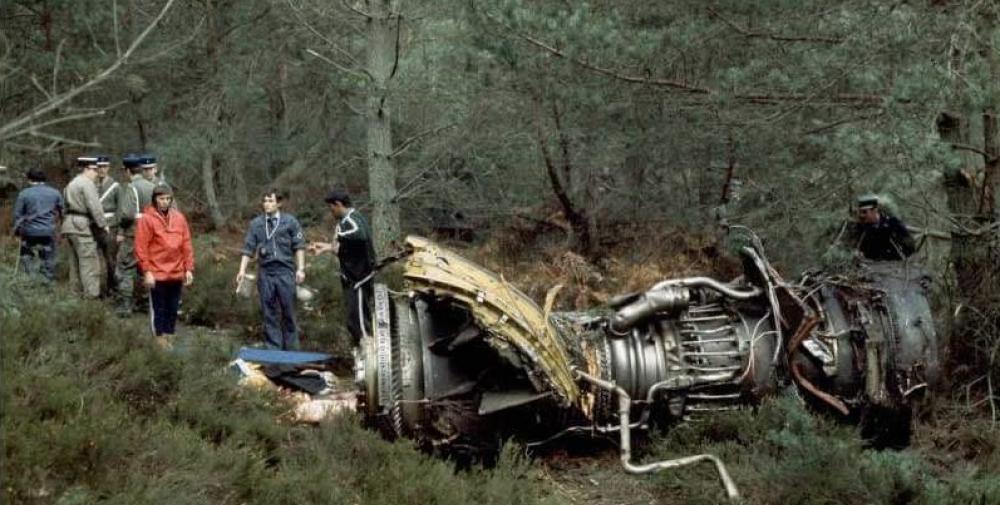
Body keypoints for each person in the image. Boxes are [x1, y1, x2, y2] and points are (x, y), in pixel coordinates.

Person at [236, 189, 307, 350]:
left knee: (289, 312)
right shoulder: (257, 224)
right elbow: (248, 249)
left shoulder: (290, 222)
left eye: (271, 201)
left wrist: (301, 269)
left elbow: (299, 247)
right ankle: (274, 353)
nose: (267, 204)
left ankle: (292, 352)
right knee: (269, 314)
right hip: (266, 273)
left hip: (285, 271)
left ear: (279, 203)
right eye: (265, 201)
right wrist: (241, 271)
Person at [309, 190, 376, 345]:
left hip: (359, 278)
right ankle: (361, 353)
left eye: (331, 208)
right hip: (351, 278)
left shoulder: (352, 219)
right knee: (353, 320)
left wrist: (338, 235)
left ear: (338, 205)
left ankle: (369, 355)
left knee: (360, 322)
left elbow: (360, 234)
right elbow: (348, 247)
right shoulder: (348, 221)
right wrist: (326, 247)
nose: (331, 212)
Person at [135, 183, 194, 338]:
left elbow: (186, 244)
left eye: (168, 199)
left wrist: (188, 268)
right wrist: (146, 271)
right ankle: (159, 341)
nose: (165, 202)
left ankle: (169, 337)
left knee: (173, 308)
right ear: (155, 199)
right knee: (158, 309)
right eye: (161, 199)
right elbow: (141, 247)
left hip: (176, 272)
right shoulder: (147, 219)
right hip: (157, 273)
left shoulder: (179, 218)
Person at [114, 154, 157, 316]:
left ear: (127, 171)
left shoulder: (132, 187)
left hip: (134, 233)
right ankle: (147, 302)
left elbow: (127, 214)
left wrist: (122, 229)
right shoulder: (152, 186)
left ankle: (126, 306)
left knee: (125, 267)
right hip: (151, 234)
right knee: (146, 268)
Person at [62, 157, 109, 298]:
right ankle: (91, 297)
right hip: (82, 226)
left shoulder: (71, 183)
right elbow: (94, 206)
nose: (97, 172)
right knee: (89, 263)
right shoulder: (87, 184)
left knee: (74, 265)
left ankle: (75, 296)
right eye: (94, 169)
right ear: (86, 169)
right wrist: (103, 225)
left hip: (69, 225)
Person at [12, 169, 63, 282]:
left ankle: (31, 278)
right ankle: (47, 280)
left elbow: (18, 215)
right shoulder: (55, 192)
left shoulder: (24, 194)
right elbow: (62, 211)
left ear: (30, 180)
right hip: (48, 230)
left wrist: (17, 231)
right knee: (48, 256)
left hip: (29, 231)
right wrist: (61, 228)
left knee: (27, 254)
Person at [842, 194, 916, 261]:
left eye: (865, 212)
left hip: (892, 263)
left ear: (875, 210)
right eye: (860, 212)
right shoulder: (859, 227)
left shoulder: (892, 223)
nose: (862, 216)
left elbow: (910, 245)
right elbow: (850, 245)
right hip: (869, 266)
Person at [95, 155, 120, 296]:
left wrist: (115, 227)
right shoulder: (91, 184)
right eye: (99, 167)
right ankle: (94, 289)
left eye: (104, 167)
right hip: (93, 226)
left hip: (110, 227)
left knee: (111, 259)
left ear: (108, 168)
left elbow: (119, 208)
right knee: (92, 260)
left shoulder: (115, 186)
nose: (101, 169)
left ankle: (112, 288)